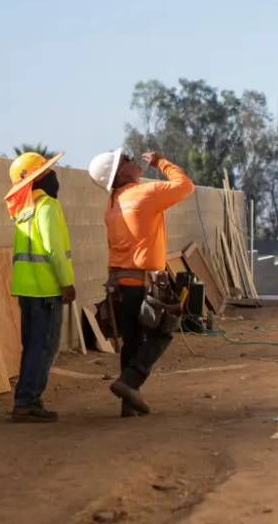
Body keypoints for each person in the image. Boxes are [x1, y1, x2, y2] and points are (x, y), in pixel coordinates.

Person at [88, 148, 194, 416]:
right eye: (129, 159)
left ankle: (129, 403)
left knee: (132, 342)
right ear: (121, 172)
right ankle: (130, 381)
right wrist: (161, 162)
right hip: (141, 286)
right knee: (163, 332)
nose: (135, 162)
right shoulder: (144, 194)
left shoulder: (112, 203)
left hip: (118, 287)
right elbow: (185, 186)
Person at [3, 151, 76, 423]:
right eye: (46, 171)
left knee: (32, 346)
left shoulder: (23, 210)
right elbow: (54, 250)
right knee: (44, 347)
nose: (52, 176)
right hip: (46, 290)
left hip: (26, 289)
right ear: (37, 179)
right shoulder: (47, 207)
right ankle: (27, 402)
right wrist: (67, 284)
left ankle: (25, 399)